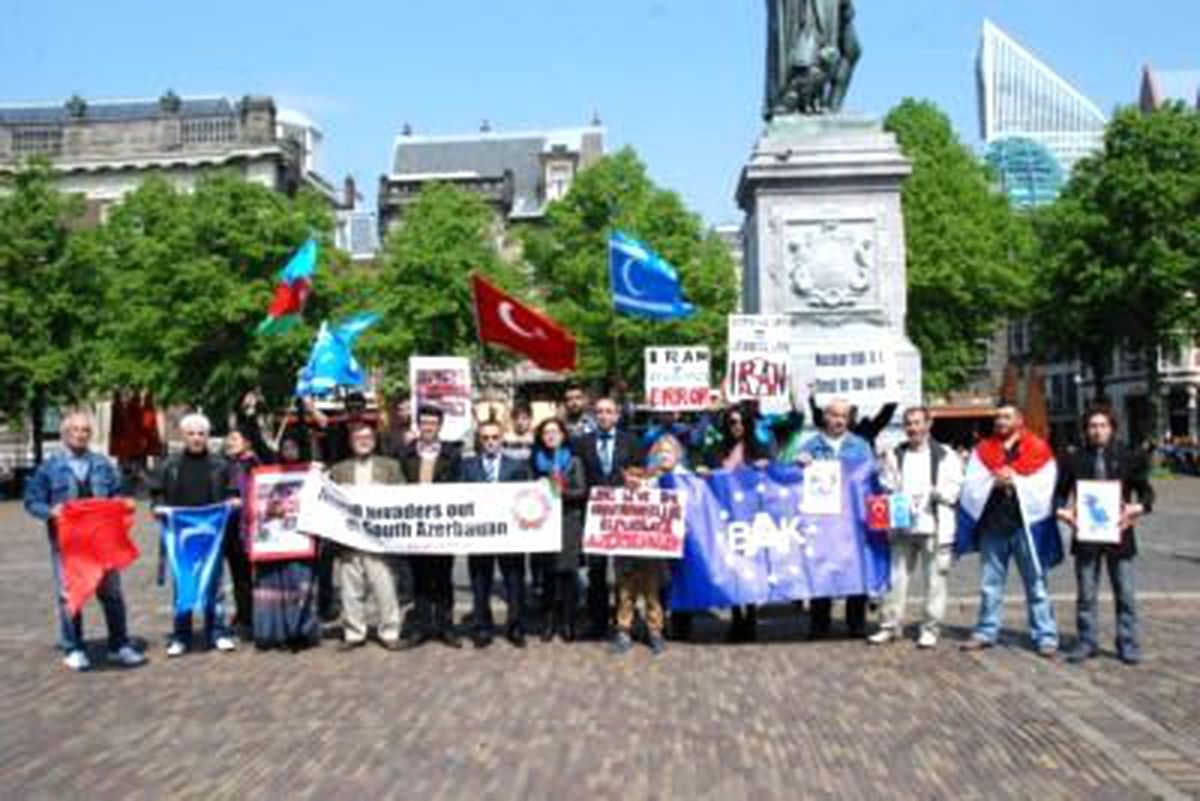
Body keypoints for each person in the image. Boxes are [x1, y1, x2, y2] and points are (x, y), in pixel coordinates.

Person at [24, 411, 146, 672]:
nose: (80, 435)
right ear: (65, 433)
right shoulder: (49, 467)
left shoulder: (103, 464)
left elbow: (115, 494)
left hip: (102, 542)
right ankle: (74, 648)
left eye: (85, 430)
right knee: (69, 594)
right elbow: (32, 501)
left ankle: (119, 645)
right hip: (68, 544)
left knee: (111, 593)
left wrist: (123, 503)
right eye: (75, 430)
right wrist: (51, 511)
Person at [959, 404, 1061, 658]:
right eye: (997, 417)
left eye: (1006, 417)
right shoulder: (983, 450)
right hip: (993, 526)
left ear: (1019, 420)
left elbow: (1046, 484)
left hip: (1025, 525)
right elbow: (970, 485)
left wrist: (1016, 480)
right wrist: (992, 482)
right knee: (990, 584)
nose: (1000, 421)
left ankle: (1045, 634)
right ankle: (986, 630)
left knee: (1036, 583)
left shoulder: (1037, 448)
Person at [1056, 406, 1154, 666]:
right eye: (1092, 426)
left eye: (1102, 426)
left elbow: (1146, 492)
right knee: (1086, 594)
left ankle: (1127, 642)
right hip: (1086, 536)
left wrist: (1138, 508)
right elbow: (1059, 492)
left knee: (1126, 593)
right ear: (1085, 430)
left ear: (1112, 428)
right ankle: (1087, 641)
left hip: (1120, 534)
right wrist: (1062, 512)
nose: (1097, 431)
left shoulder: (1128, 456)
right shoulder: (1074, 459)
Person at [869, 407, 963, 649]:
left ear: (928, 424)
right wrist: (890, 484)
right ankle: (889, 625)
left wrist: (935, 493)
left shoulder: (945, 455)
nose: (913, 428)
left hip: (934, 525)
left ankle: (930, 628)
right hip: (902, 525)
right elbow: (885, 485)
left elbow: (955, 491)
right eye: (909, 424)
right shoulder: (895, 454)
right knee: (895, 578)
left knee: (935, 580)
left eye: (918, 423)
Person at [150, 412, 239, 658]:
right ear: (183, 436)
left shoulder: (221, 465)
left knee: (215, 584)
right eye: (191, 434)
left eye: (201, 434)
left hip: (211, 536)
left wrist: (233, 502)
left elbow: (232, 490)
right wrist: (157, 508)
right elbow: (157, 493)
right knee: (183, 585)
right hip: (181, 537)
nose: (196, 438)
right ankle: (181, 636)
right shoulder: (170, 465)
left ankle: (217, 632)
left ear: (208, 437)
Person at [797, 398, 875, 639]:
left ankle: (856, 622)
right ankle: (819, 623)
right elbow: (794, 483)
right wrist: (798, 464)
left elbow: (871, 480)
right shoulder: (810, 446)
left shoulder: (861, 446)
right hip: (822, 520)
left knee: (856, 567)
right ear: (825, 417)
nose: (840, 420)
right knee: (821, 567)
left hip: (853, 519)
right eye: (835, 415)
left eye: (844, 415)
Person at [329, 423, 405, 651]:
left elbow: (404, 497)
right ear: (351, 442)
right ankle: (354, 633)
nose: (363, 441)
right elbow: (329, 501)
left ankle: (390, 632)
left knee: (385, 588)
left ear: (374, 440)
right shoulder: (339, 469)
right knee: (350, 589)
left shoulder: (390, 466)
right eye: (358, 437)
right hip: (350, 539)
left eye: (368, 437)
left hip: (378, 540)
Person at [462, 418, 533, 648]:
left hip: (510, 535)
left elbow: (527, 498)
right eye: (485, 438)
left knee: (514, 581)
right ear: (479, 440)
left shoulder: (517, 466)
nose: (490, 442)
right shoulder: (467, 466)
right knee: (480, 582)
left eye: (494, 437)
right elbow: (457, 498)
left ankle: (516, 626)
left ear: (502, 438)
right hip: (479, 535)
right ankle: (482, 626)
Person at [575, 396, 642, 639]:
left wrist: (635, 481)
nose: (604, 416)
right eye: (599, 411)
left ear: (617, 415)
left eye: (609, 411)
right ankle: (598, 621)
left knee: (624, 571)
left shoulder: (631, 441)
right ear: (594, 415)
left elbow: (640, 472)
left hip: (623, 515)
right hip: (593, 516)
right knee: (596, 571)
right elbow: (575, 474)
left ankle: (624, 619)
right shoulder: (581, 443)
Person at [706, 402, 773, 642]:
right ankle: (736, 617)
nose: (738, 426)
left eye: (742, 421)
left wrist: (767, 466)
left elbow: (774, 478)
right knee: (731, 566)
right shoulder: (716, 449)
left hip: (752, 517)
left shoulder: (760, 449)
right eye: (733, 422)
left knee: (753, 566)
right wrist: (705, 472)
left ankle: (752, 617)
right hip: (725, 518)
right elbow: (708, 476)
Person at [611, 436, 684, 657]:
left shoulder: (680, 477)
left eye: (668, 451)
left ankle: (655, 631)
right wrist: (630, 484)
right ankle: (624, 630)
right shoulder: (642, 477)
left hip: (654, 547)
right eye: (659, 451)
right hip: (630, 543)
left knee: (653, 592)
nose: (663, 455)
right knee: (626, 591)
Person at [400, 406, 463, 648]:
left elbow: (460, 486)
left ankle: (446, 627)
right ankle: (422, 627)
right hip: (415, 526)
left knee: (444, 578)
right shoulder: (405, 454)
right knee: (420, 579)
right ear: (418, 425)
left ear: (440, 426)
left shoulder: (452, 454)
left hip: (444, 526)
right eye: (424, 422)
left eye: (433, 423)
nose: (428, 427)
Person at [530, 418, 588, 642]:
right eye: (546, 433)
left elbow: (581, 491)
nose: (551, 436)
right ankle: (548, 621)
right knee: (547, 576)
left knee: (568, 575)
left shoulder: (573, 461)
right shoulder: (535, 461)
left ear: (563, 435)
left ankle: (568, 621)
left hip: (568, 523)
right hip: (542, 523)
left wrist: (557, 492)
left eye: (555, 432)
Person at [222, 428, 258, 636]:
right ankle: (243, 614)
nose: (230, 442)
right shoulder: (225, 464)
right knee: (238, 575)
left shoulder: (255, 463)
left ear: (247, 442)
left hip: (251, 527)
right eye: (229, 438)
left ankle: (253, 614)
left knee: (250, 575)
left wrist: (244, 502)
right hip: (230, 528)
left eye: (235, 438)